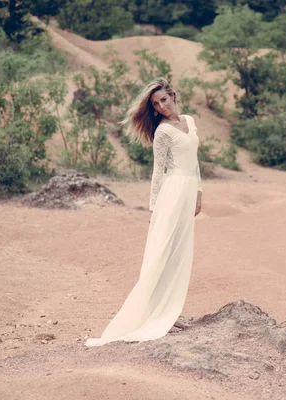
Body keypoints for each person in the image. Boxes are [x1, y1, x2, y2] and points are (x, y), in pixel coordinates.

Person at [85, 77, 203, 347]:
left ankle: (169, 310)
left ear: (173, 96)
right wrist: (154, 208)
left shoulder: (190, 121)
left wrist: (199, 193)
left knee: (180, 251)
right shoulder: (162, 132)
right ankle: (152, 313)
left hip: (188, 191)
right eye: (155, 104)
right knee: (163, 251)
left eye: (163, 100)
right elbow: (158, 172)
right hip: (171, 193)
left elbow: (194, 162)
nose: (161, 106)